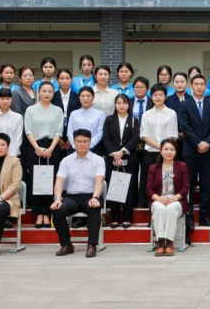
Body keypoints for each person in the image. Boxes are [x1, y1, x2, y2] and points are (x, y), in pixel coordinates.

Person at [50, 129, 105, 258]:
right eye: (79, 141)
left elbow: (99, 181)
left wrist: (95, 197)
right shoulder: (66, 160)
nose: (82, 144)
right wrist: (57, 199)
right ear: (73, 142)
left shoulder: (98, 160)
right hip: (72, 197)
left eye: (85, 141)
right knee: (57, 210)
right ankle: (66, 244)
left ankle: (92, 245)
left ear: (90, 142)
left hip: (91, 196)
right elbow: (59, 182)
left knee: (94, 207)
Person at [178, 74, 210, 227]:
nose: (199, 87)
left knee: (206, 185)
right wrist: (198, 143)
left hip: (209, 151)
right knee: (188, 185)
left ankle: (204, 216)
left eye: (202, 84)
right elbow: (185, 126)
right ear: (191, 86)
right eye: (196, 84)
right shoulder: (184, 104)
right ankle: (189, 216)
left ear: (205, 87)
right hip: (190, 151)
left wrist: (207, 142)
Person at [23, 82, 64, 229]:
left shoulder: (58, 110)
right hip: (34, 147)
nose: (47, 94)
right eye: (44, 91)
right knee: (36, 180)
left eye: (50, 91)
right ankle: (38, 214)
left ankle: (47, 213)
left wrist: (51, 148)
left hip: (52, 147)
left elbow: (59, 131)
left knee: (50, 180)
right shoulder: (30, 110)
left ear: (53, 93)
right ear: (38, 92)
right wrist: (37, 148)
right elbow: (28, 130)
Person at [103, 94, 140, 228]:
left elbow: (136, 138)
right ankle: (114, 218)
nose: (121, 106)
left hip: (129, 159)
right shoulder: (109, 120)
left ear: (128, 105)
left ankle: (127, 218)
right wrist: (115, 154)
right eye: (118, 103)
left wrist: (122, 152)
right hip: (112, 159)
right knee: (114, 187)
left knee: (128, 189)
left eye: (124, 103)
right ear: (115, 105)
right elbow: (106, 138)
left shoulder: (134, 120)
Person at [146, 138, 189, 257]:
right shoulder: (153, 168)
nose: (169, 152)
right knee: (159, 208)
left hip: (176, 199)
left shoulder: (182, 166)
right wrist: (160, 199)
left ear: (176, 152)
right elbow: (149, 190)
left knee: (170, 208)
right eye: (166, 149)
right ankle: (160, 242)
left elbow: (185, 188)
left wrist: (173, 198)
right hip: (158, 198)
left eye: (172, 149)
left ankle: (169, 243)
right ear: (161, 151)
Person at [139, 84, 178, 208]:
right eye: (155, 95)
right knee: (149, 180)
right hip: (150, 151)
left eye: (161, 95)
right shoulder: (146, 114)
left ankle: (166, 203)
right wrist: (159, 146)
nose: (158, 97)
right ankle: (148, 205)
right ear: (151, 97)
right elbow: (144, 135)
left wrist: (164, 149)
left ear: (165, 97)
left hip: (167, 153)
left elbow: (172, 133)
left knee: (164, 179)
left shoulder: (172, 113)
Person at [66, 87, 106, 155]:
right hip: (75, 150)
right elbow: (69, 132)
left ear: (93, 97)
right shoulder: (73, 114)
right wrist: (76, 145)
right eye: (82, 96)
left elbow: (100, 133)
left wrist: (89, 145)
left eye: (88, 96)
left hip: (94, 149)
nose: (85, 98)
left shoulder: (100, 114)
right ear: (79, 97)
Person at [0, 89, 23, 157]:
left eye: (8, 98)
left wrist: (11, 156)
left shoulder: (18, 117)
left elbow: (18, 139)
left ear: (11, 99)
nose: (5, 101)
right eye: (2, 99)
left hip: (13, 155)